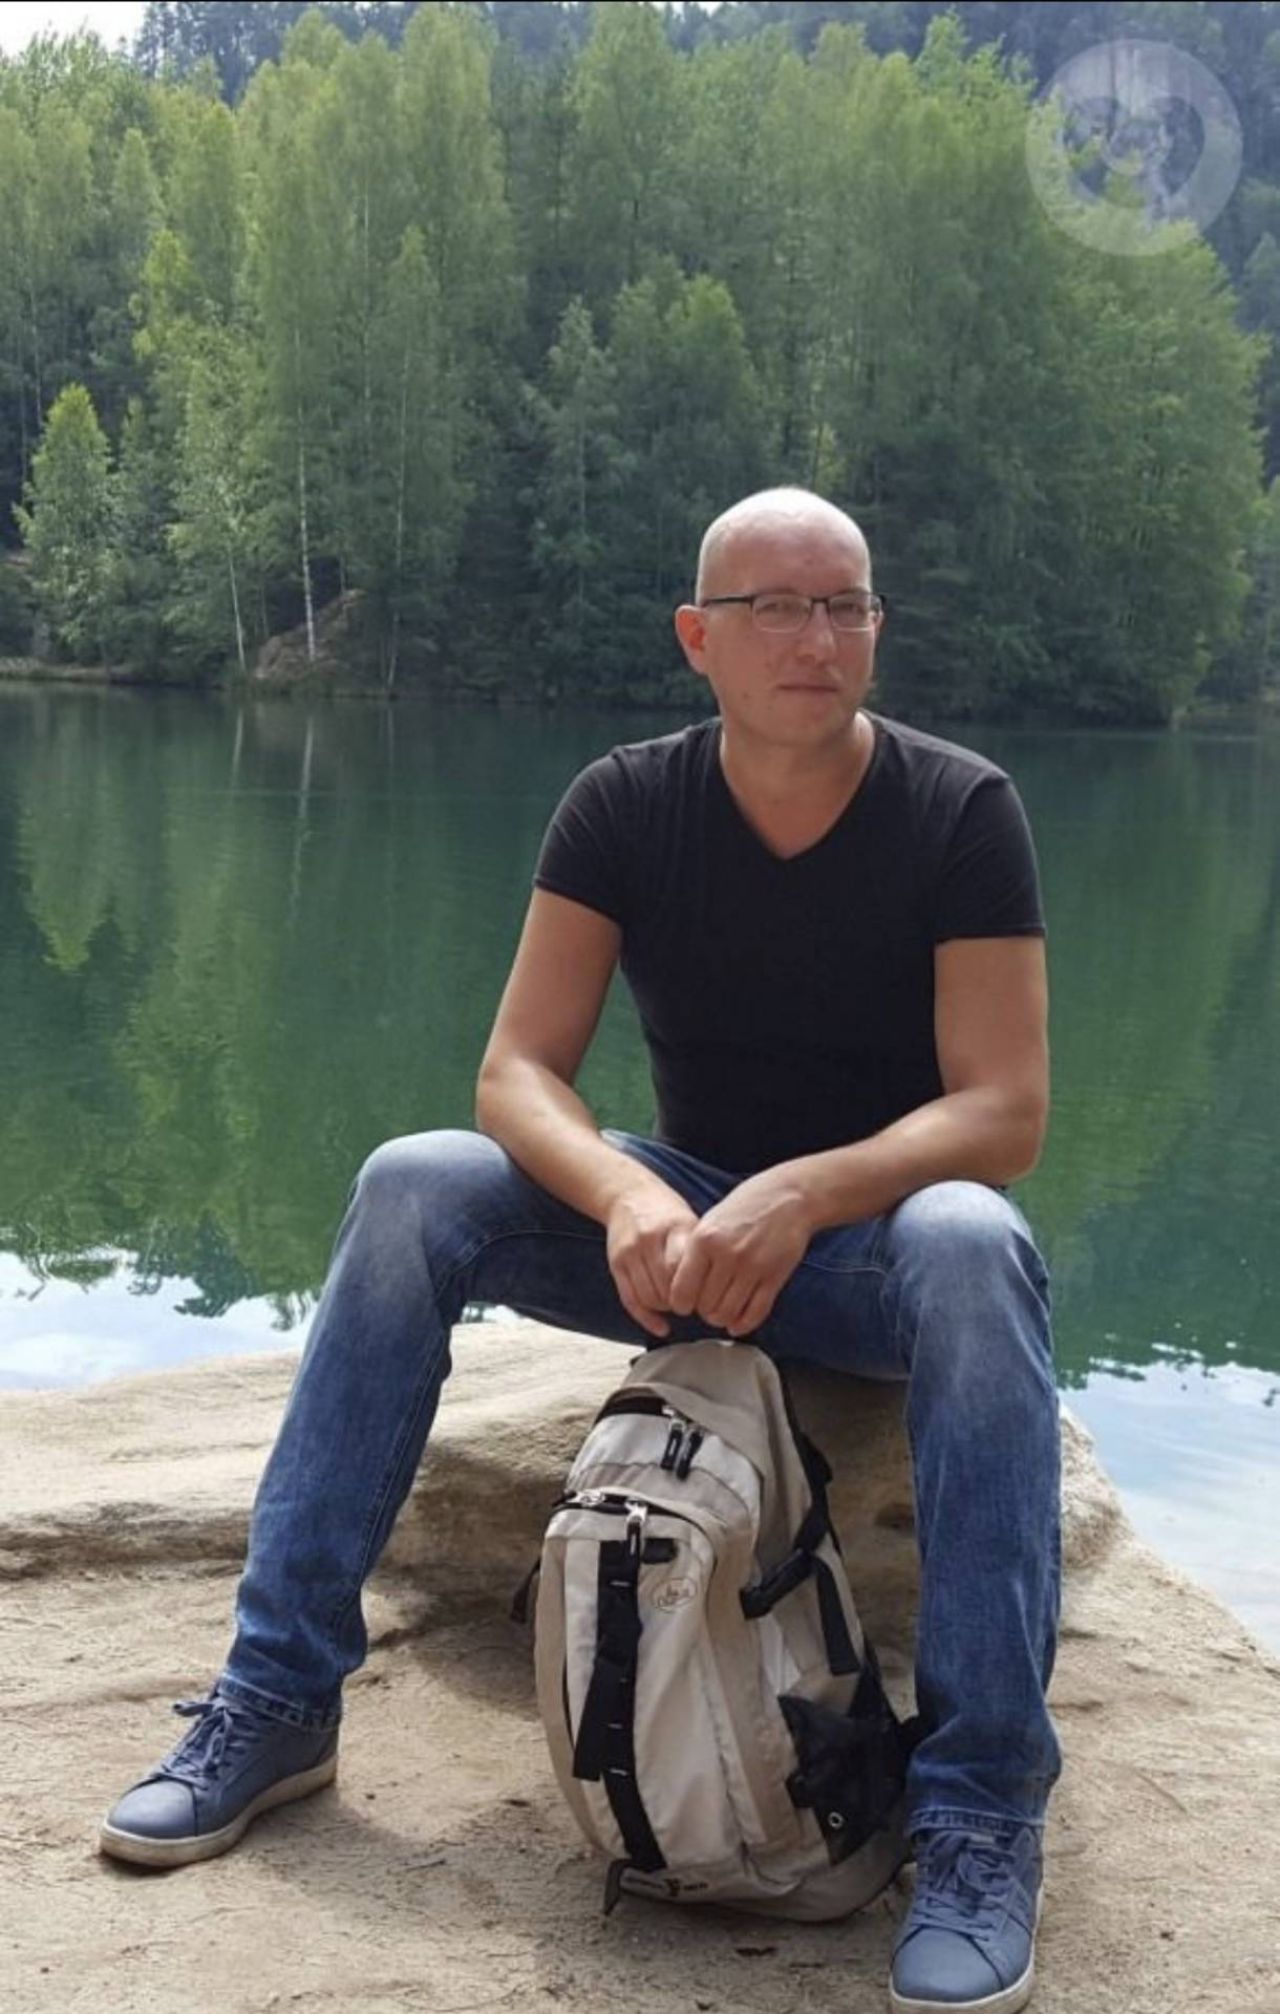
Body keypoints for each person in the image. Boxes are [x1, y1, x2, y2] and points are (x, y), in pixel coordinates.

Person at [100, 488, 1060, 2014]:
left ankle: (980, 1809)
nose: (817, 636)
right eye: (777, 606)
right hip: (671, 1227)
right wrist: (623, 1195)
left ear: (877, 629)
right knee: (414, 1182)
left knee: (971, 1236)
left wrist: (802, 1195)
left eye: (845, 605)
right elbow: (516, 1073)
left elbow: (1003, 1110)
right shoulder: (625, 802)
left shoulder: (960, 810)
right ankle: (277, 1695)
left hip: (870, 1249)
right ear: (698, 637)